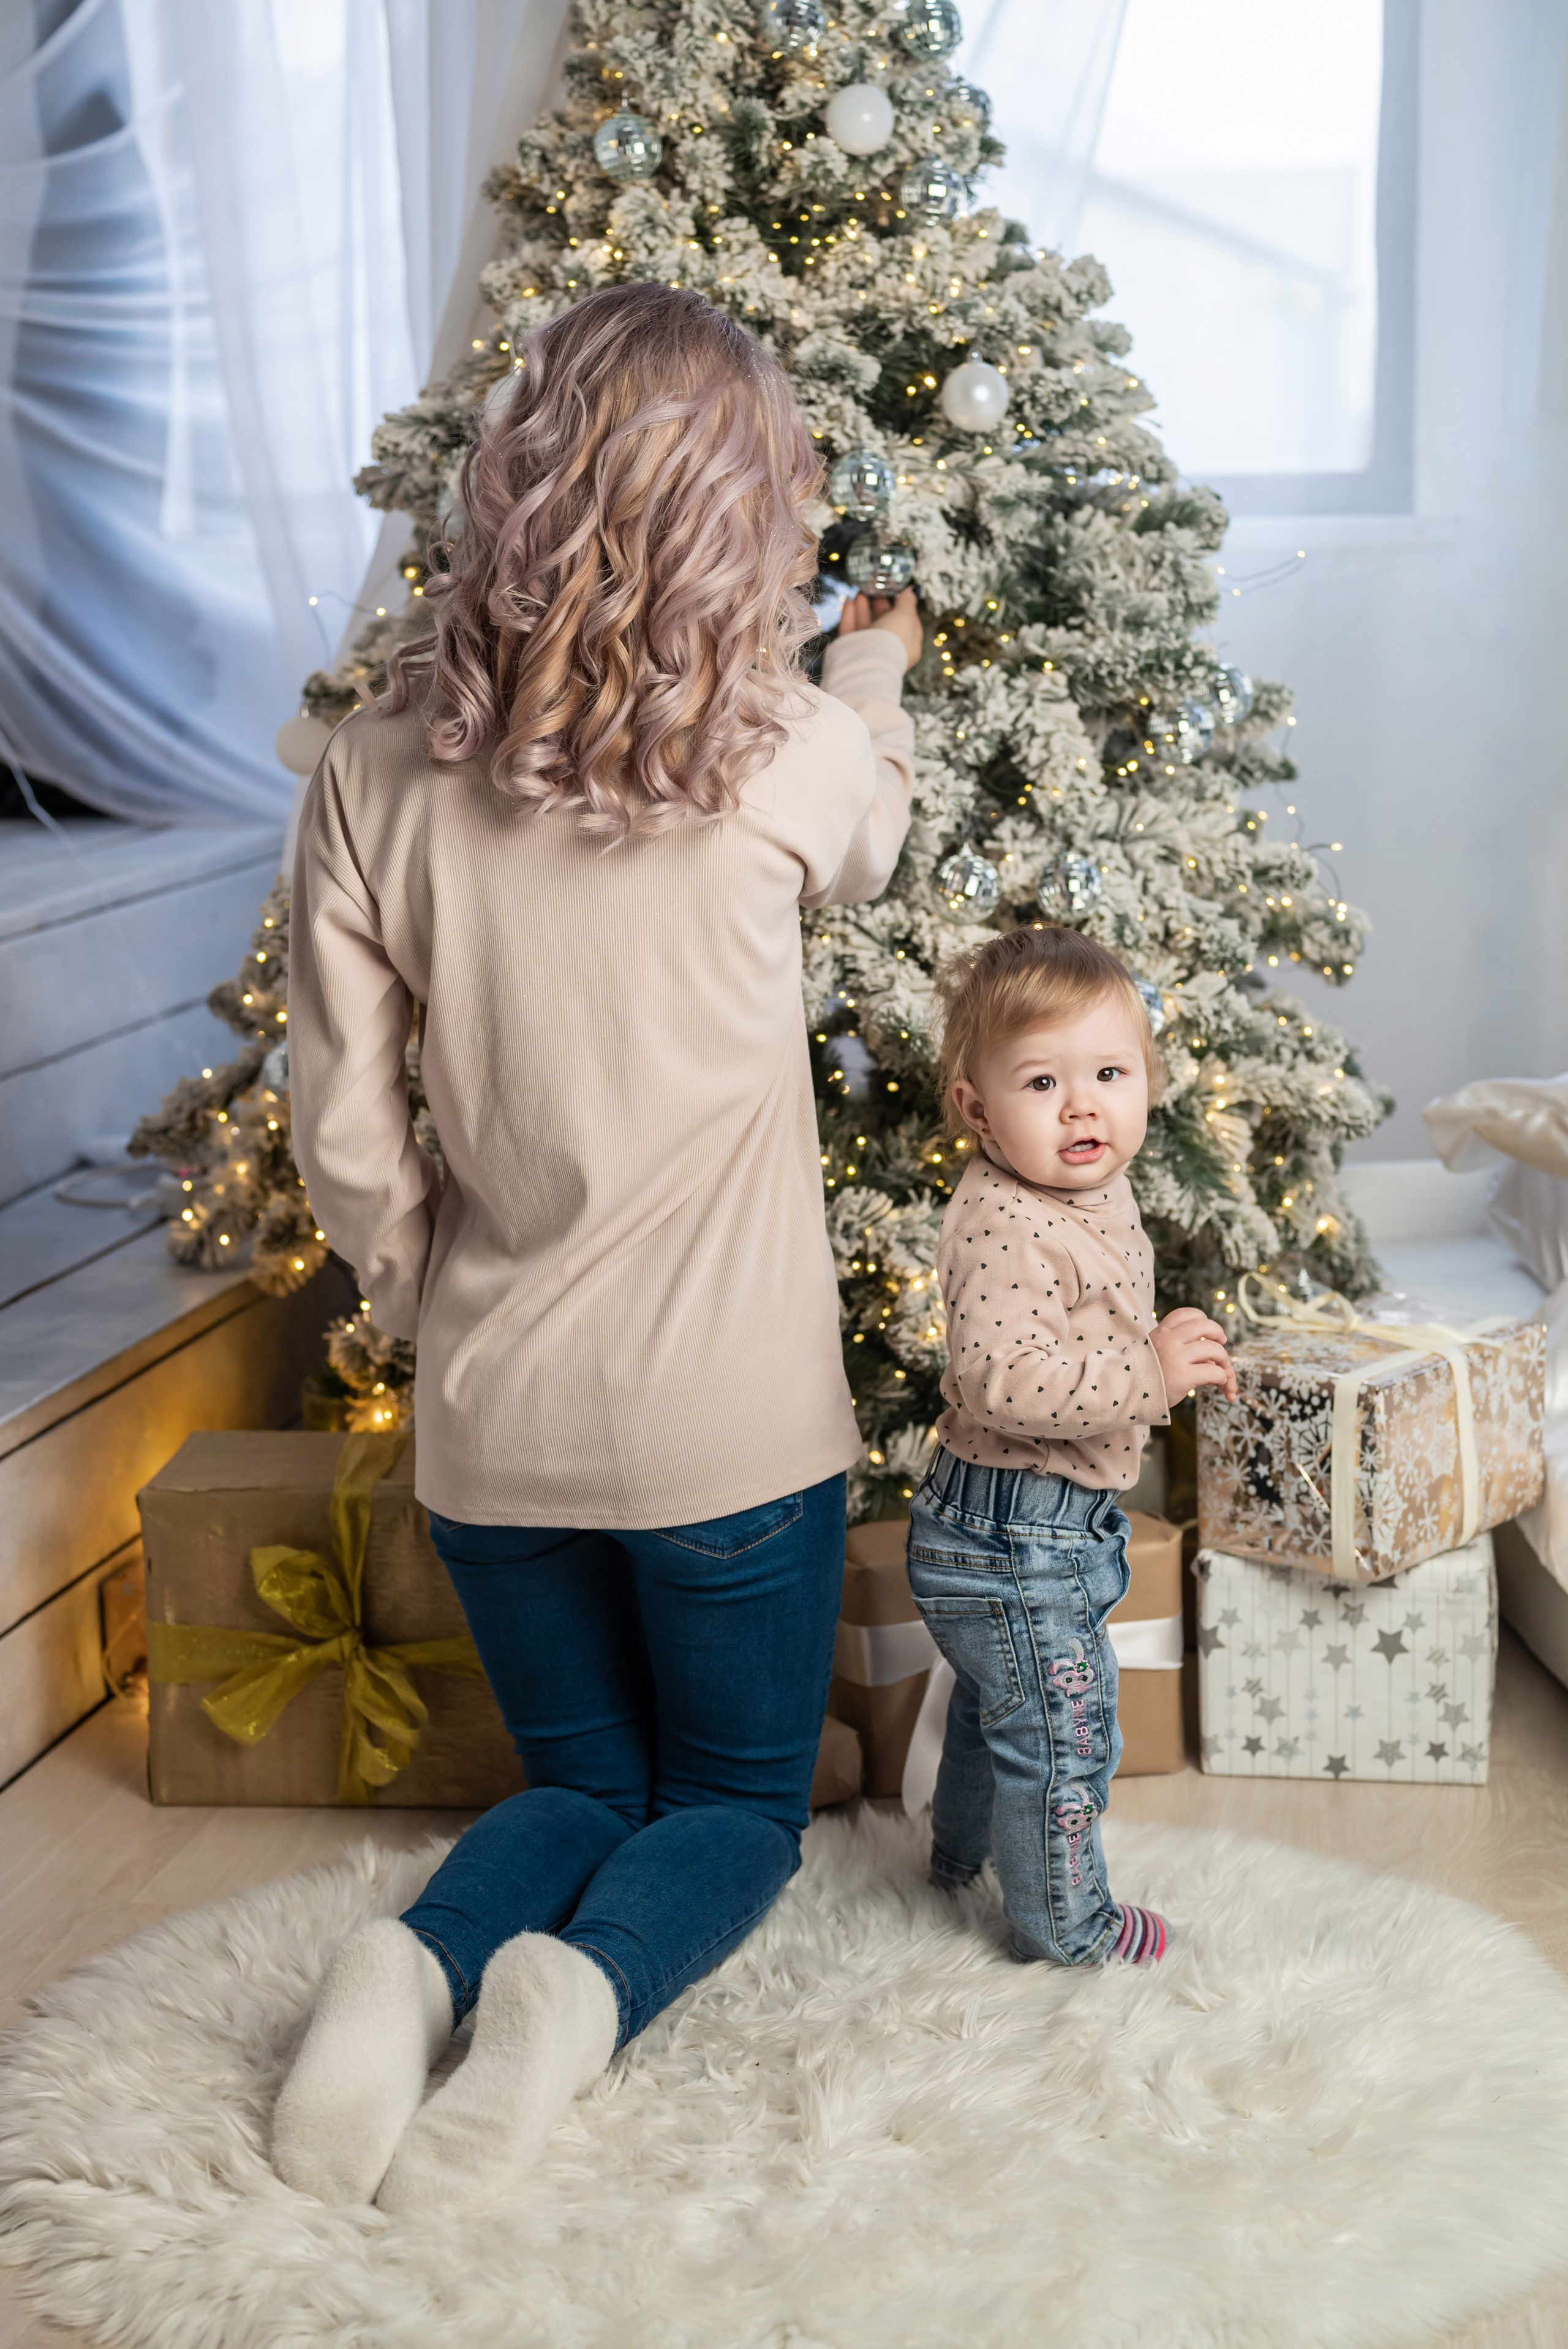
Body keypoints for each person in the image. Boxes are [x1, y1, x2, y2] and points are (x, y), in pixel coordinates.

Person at [271, 282, 919, 2215]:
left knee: (574, 1787)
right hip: (727, 1425)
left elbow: (345, 1125)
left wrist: (420, 1290)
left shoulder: (378, 763)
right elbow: (876, 827)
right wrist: (871, 668)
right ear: (750, 513)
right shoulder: (783, 744)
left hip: (493, 1416)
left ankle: (404, 1975)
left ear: (523, 478)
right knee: (727, 1807)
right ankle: (566, 2005)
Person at [908, 926, 1236, 1970]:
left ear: (1147, 1080)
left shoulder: (1088, 1181)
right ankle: (1066, 1926)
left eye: (1108, 1073)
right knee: (1060, 1735)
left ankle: (960, 1855)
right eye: (1042, 1080)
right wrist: (1149, 1372)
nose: (1082, 1105)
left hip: (1026, 1525)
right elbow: (999, 1380)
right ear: (977, 1109)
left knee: (995, 1704)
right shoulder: (1006, 1223)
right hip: (1015, 1538)